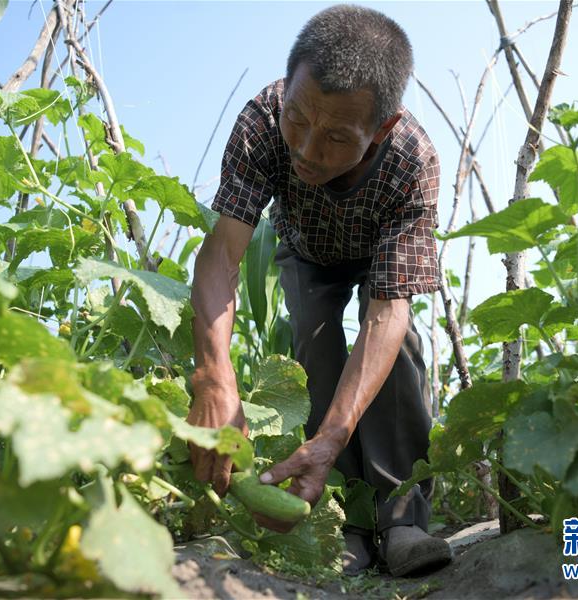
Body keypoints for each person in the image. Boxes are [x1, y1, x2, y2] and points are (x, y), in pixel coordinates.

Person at [186, 4, 452, 576]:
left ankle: (402, 517)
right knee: (314, 353)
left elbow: (386, 313)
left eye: (335, 136)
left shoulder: (411, 161)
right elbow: (221, 257)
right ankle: (348, 522)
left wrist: (337, 433)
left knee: (398, 359)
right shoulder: (261, 121)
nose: (306, 149)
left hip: (378, 259)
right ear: (287, 90)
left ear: (379, 129)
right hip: (306, 252)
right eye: (298, 120)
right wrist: (214, 375)